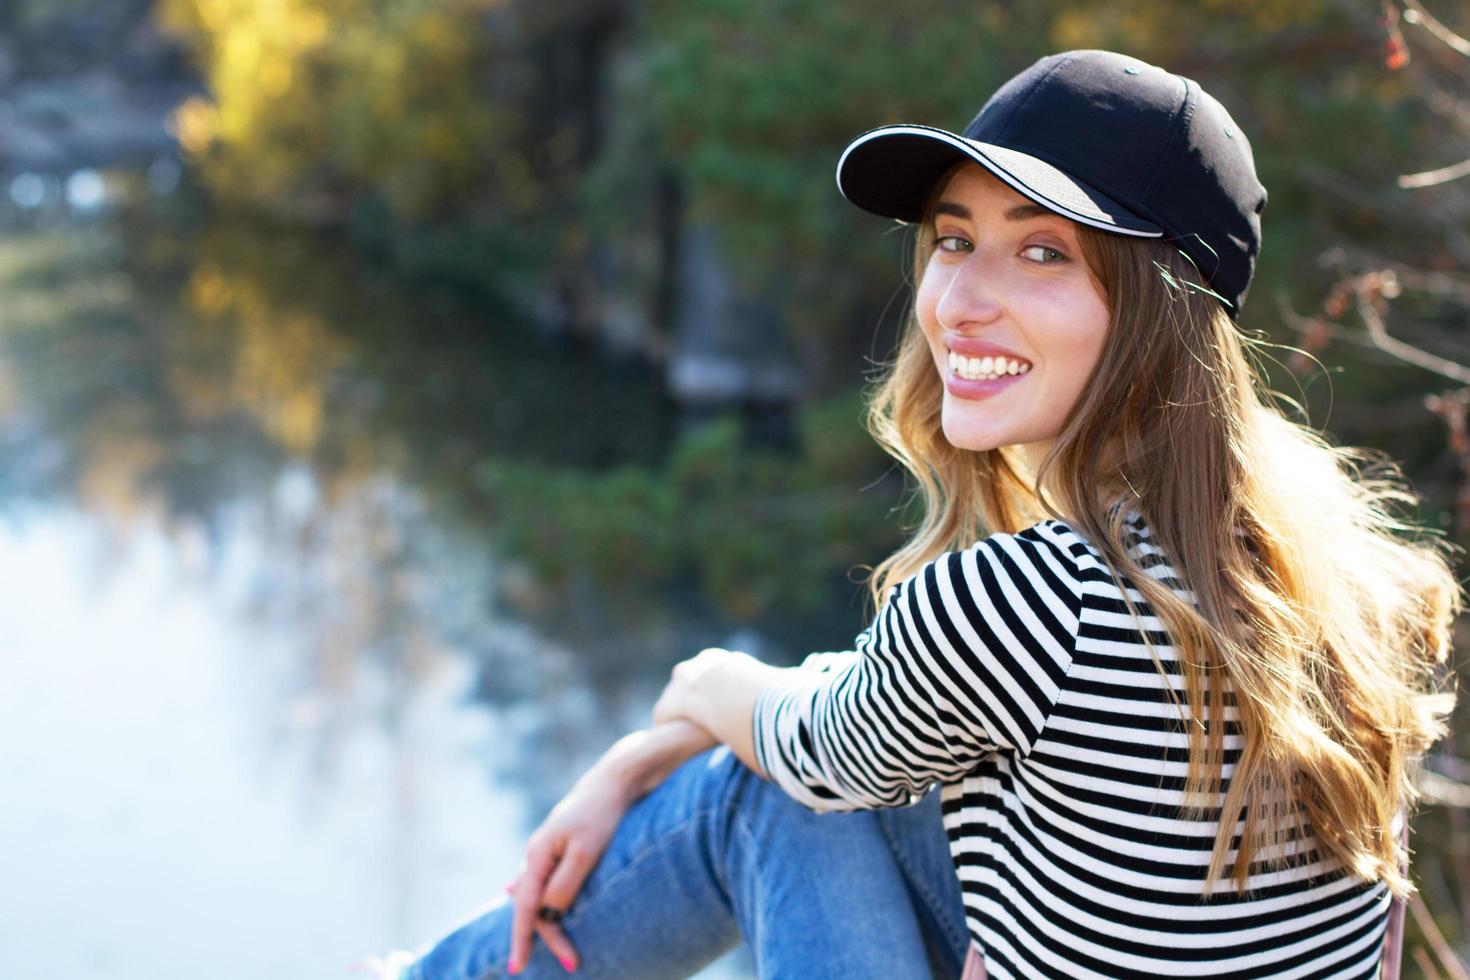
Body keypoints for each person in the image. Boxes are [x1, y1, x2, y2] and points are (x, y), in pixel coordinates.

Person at [363, 48, 1460, 979]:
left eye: (1042, 251)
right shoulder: (1361, 587)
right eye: (952, 238)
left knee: (762, 794)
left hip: (815, 760)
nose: (959, 300)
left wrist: (684, 695)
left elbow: (807, 752)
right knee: (844, 777)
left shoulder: (1035, 597)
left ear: (1158, 311)